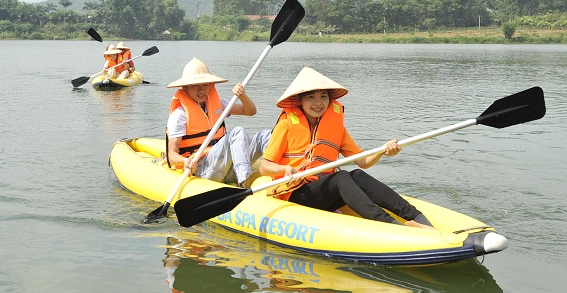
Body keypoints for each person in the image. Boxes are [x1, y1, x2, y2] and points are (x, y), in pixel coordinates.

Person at [259, 66, 432, 228]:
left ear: (330, 99)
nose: (318, 103)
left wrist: (383, 150)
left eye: (323, 96)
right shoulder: (286, 124)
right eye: (311, 97)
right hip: (293, 194)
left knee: (357, 175)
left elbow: (363, 162)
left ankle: (416, 217)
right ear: (300, 101)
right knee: (341, 177)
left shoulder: (336, 129)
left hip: (322, 193)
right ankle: (392, 225)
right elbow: (264, 167)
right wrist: (286, 169)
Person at [166, 58, 270, 188]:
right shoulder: (179, 115)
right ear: (185, 88)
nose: (201, 90)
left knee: (265, 135)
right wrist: (185, 161)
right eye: (195, 85)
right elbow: (172, 155)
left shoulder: (218, 104)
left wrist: (242, 95)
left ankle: (281, 171)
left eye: (205, 84)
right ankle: (245, 181)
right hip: (202, 169)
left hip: (226, 167)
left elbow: (250, 111)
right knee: (238, 132)